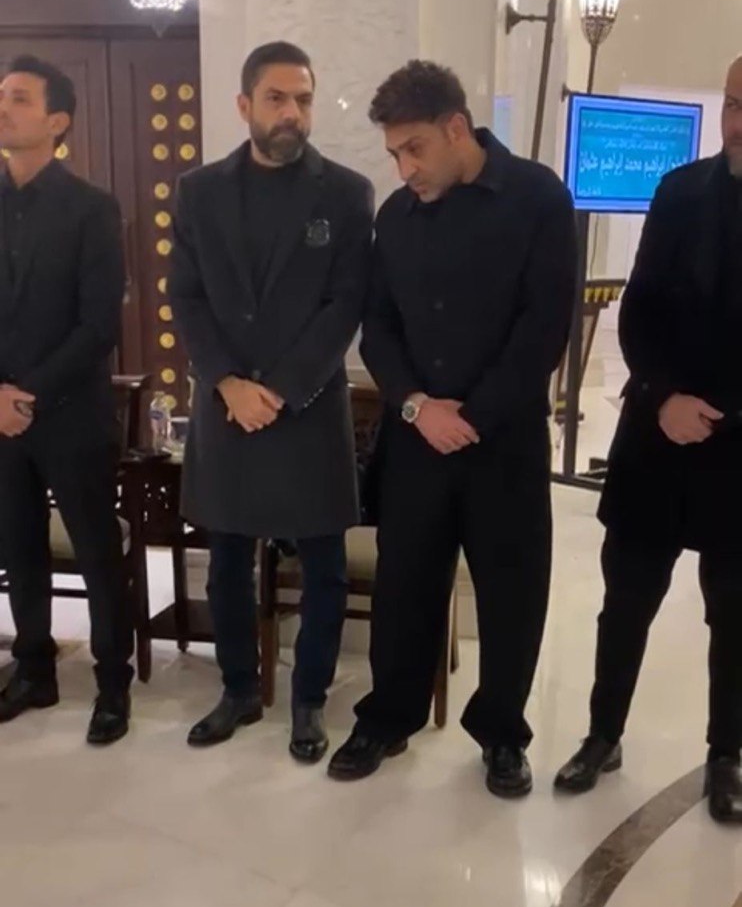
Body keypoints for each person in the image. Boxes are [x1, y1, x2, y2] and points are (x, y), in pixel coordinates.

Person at [328, 61, 577, 794]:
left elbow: (544, 327)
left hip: (504, 440)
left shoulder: (538, 197)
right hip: (417, 440)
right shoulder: (396, 217)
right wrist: (415, 405)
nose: (404, 169)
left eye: (415, 149)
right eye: (395, 154)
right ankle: (388, 718)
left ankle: (501, 734)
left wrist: (471, 415)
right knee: (404, 587)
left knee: (510, 593)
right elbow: (378, 327)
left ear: (457, 128)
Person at [170, 42, 373, 761]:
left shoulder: (346, 194)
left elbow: (345, 304)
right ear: (245, 105)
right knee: (228, 563)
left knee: (322, 568)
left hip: (307, 408)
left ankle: (309, 699)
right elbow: (186, 297)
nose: (292, 112)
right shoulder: (197, 192)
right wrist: (227, 382)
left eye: (303, 99)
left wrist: (281, 390)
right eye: (277, 98)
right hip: (226, 407)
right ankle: (238, 691)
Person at [555, 57, 742, 824]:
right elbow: (638, 313)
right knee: (626, 599)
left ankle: (727, 754)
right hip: (657, 436)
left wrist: (723, 412)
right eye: (734, 103)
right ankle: (603, 735)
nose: (738, 122)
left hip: (738, 447)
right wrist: (665, 398)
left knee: (735, 615)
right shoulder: (680, 191)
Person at [0, 55, 132, 745]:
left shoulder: (91, 208)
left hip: (72, 411)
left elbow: (99, 324)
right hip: (0, 416)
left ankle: (113, 683)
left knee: (95, 549)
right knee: (18, 544)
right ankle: (34, 669)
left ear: (57, 122)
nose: (4, 107)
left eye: (19, 98)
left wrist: (29, 392)